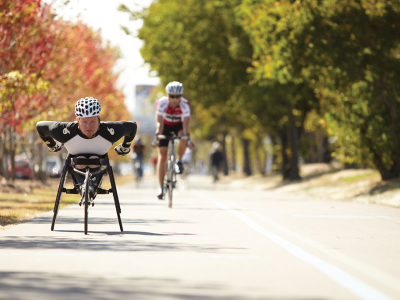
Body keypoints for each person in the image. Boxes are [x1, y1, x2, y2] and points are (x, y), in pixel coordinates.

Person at [36, 97, 137, 173]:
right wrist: (52, 145)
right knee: (81, 163)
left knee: (93, 161)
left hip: (98, 157)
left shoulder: (109, 130)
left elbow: (132, 127)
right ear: (77, 121)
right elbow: (40, 127)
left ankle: (92, 186)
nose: (89, 126)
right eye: (84, 122)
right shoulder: (66, 130)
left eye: (93, 121)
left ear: (99, 120)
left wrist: (125, 146)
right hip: (77, 158)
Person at [152, 81, 194, 199]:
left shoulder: (185, 104)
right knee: (163, 155)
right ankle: (161, 188)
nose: (175, 99)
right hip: (165, 126)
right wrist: (157, 138)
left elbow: (186, 127)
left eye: (177, 97)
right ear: (167, 95)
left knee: (183, 135)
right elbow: (159, 124)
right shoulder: (161, 103)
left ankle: (179, 161)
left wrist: (187, 139)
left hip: (178, 125)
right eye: (172, 96)